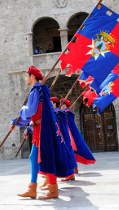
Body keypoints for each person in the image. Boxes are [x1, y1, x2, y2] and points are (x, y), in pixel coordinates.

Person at [9, 66, 75, 199]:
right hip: (41, 127)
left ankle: (52, 189)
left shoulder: (36, 90)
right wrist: (17, 122)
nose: (25, 78)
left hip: (42, 129)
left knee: (45, 156)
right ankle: (32, 188)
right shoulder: (42, 90)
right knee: (34, 157)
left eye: (26, 76)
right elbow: (35, 114)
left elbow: (30, 111)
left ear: (32, 76)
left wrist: (21, 111)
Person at [60, 99, 96, 181]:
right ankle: (74, 169)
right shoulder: (67, 112)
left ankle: (71, 172)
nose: (60, 107)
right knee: (72, 152)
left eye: (61, 105)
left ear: (64, 105)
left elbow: (66, 123)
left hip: (68, 135)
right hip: (69, 134)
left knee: (69, 152)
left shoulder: (67, 112)